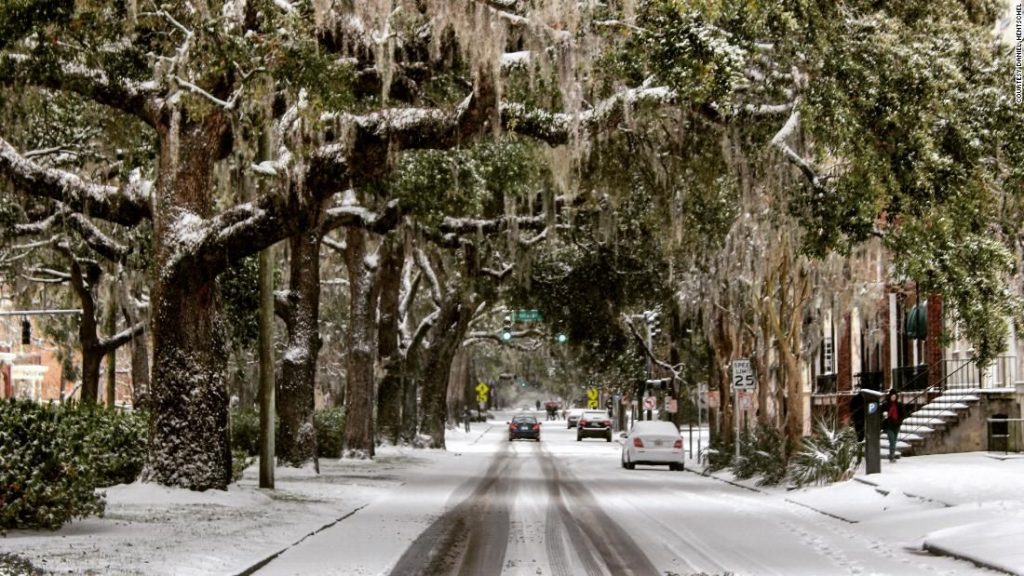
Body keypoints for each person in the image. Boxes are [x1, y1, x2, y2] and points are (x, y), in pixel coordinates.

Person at [880, 389, 903, 462]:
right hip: (888, 426)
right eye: (892, 396)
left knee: (894, 441)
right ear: (889, 396)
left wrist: (899, 421)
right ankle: (892, 457)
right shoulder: (885, 404)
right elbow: (882, 414)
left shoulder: (899, 405)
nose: (893, 397)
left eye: (895, 396)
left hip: (896, 425)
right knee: (892, 440)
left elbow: (902, 414)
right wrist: (884, 416)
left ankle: (891, 455)